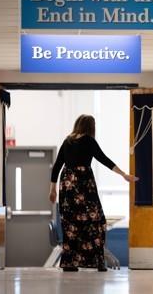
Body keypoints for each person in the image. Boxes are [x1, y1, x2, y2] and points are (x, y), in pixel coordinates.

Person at [49, 115, 137, 272]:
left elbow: (57, 166)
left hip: (67, 184)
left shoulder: (68, 140)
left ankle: (70, 262)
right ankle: (96, 261)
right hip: (84, 183)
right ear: (90, 127)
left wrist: (52, 189)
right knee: (96, 221)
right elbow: (103, 159)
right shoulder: (88, 140)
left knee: (71, 224)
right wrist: (123, 174)